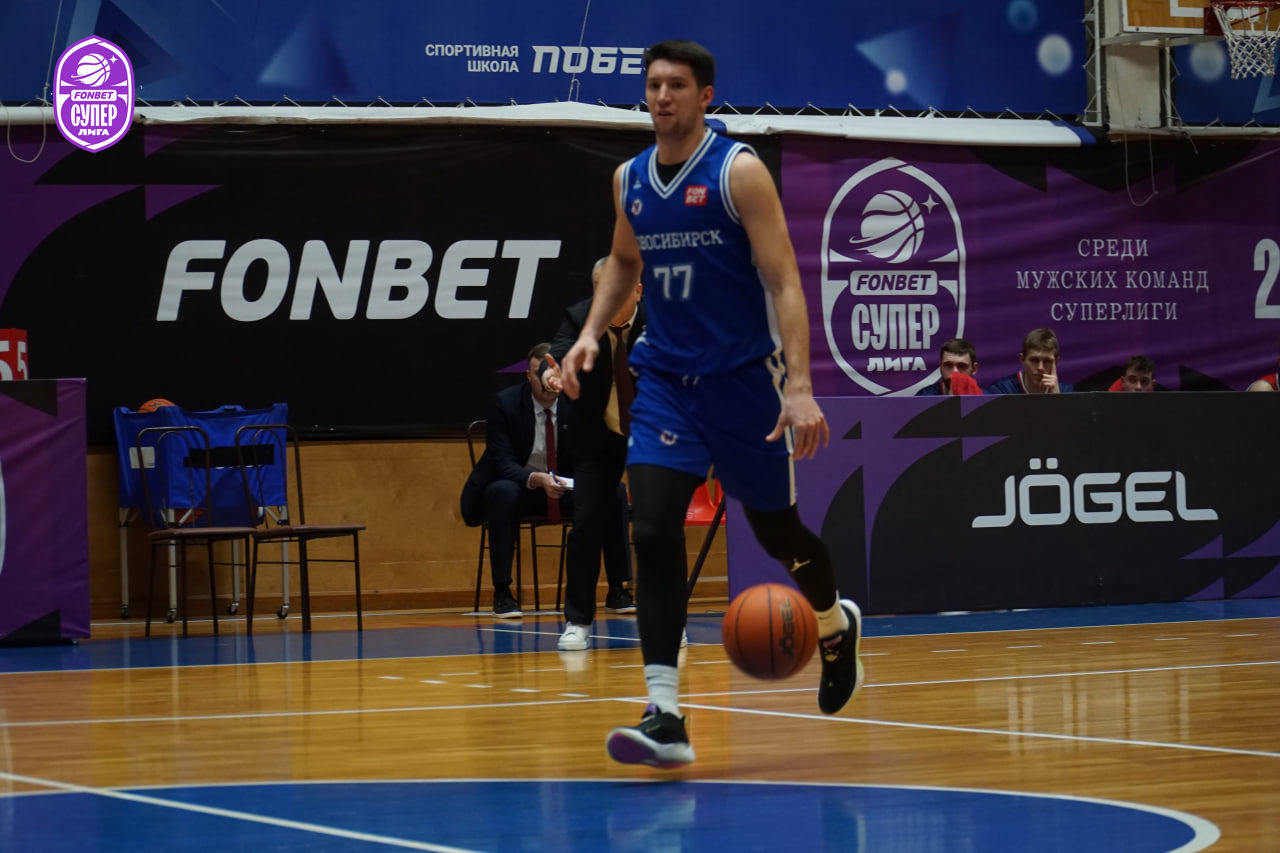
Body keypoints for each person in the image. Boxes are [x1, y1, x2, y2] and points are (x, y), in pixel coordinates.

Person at [558, 39, 864, 769]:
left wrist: (799, 387)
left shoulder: (739, 172)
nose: (661, 96)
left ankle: (832, 623)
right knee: (653, 527)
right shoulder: (630, 179)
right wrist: (591, 332)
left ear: (705, 97)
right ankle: (665, 712)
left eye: (676, 85)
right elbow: (624, 259)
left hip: (743, 383)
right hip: (665, 381)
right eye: (653, 84)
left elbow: (785, 281)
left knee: (779, 533)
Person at [542, 257, 643, 651]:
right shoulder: (580, 317)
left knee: (657, 527)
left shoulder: (660, 319)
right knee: (586, 525)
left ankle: (668, 620)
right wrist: (553, 377)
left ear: (638, 290)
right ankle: (578, 622)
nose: (608, 297)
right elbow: (558, 356)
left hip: (651, 434)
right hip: (596, 436)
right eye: (601, 289)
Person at [460, 343, 572, 618]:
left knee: (613, 491)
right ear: (528, 376)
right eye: (538, 373)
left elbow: (589, 455)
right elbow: (502, 461)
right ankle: (503, 593)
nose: (546, 381)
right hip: (520, 486)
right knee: (503, 492)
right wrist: (537, 478)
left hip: (563, 487)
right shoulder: (505, 403)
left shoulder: (576, 403)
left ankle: (618, 589)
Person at [984, 327, 1074, 394]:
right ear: (1022, 359)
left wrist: (1058, 399)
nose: (1040, 367)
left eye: (1047, 361)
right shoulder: (1003, 390)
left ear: (1056, 361)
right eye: (1034, 360)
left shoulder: (1066, 392)